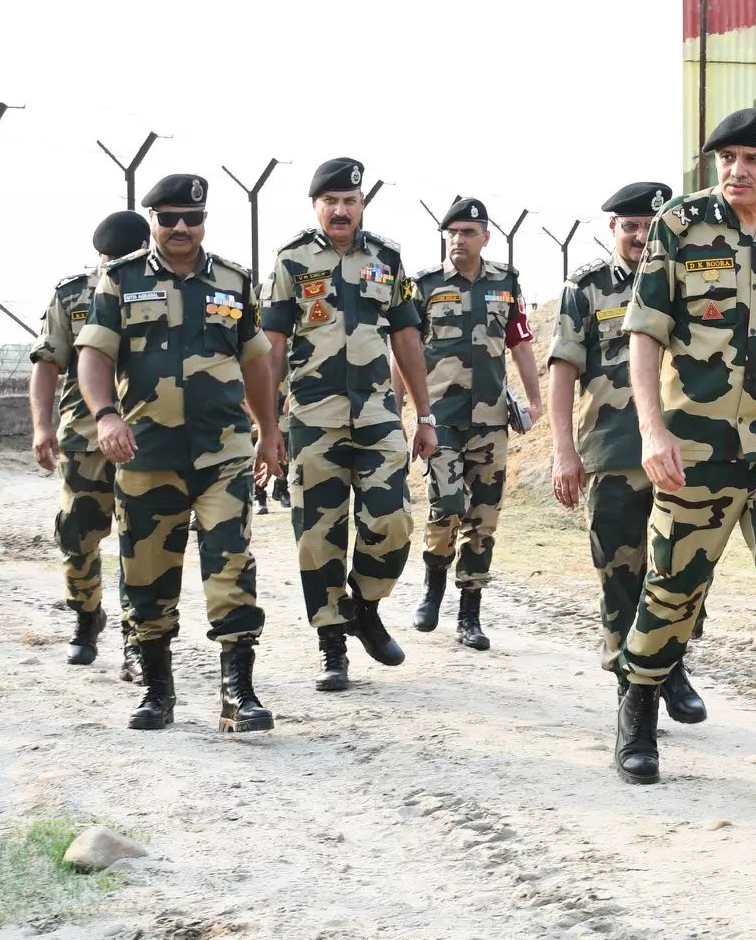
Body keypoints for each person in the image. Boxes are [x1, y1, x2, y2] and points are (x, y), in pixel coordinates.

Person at [616, 107, 756, 818]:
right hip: (696, 448)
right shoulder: (680, 227)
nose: (737, 169)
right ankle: (637, 709)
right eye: (726, 158)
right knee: (673, 588)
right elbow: (644, 334)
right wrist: (652, 431)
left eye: (751, 158)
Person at [75, 173, 282, 733]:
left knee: (231, 565)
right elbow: (94, 355)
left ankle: (238, 693)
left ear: (204, 220)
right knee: (147, 574)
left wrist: (268, 430)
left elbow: (256, 362)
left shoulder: (234, 281)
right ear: (154, 222)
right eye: (168, 219)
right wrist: (106, 415)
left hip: (223, 453)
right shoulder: (121, 279)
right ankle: (156, 690)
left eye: (192, 218)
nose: (181, 227)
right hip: (146, 453)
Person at [261, 157, 436, 692]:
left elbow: (406, 338)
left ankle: (364, 606)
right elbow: (272, 346)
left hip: (379, 415)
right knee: (319, 536)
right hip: (312, 419)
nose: (341, 210)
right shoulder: (291, 260)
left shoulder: (387, 258)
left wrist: (425, 415)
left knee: (393, 522)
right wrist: (268, 426)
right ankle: (332, 644)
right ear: (315, 205)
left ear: (362, 205)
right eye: (331, 201)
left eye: (350, 201)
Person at [549, 180, 706, 725]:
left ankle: (671, 664)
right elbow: (563, 371)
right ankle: (629, 687)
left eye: (650, 226)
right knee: (620, 573)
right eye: (631, 226)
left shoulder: (691, 278)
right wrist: (564, 452)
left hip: (684, 449)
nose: (641, 236)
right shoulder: (586, 288)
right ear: (612, 227)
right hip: (613, 451)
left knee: (683, 567)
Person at [410, 197, 542, 651]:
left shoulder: (506, 282)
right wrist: (404, 409)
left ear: (485, 237)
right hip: (440, 420)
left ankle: (470, 614)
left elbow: (520, 343)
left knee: (483, 519)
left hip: (490, 420)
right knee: (446, 506)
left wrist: (535, 401)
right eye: (452, 233)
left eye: (467, 233)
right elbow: (406, 350)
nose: (458, 240)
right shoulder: (424, 285)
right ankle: (433, 586)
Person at [29, 210, 151, 671]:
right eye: (107, 258)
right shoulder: (73, 294)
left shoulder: (164, 289)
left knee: (142, 543)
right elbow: (47, 363)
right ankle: (85, 615)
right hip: (85, 439)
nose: (113, 266)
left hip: (146, 436)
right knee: (77, 535)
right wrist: (42, 427)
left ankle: (138, 637)